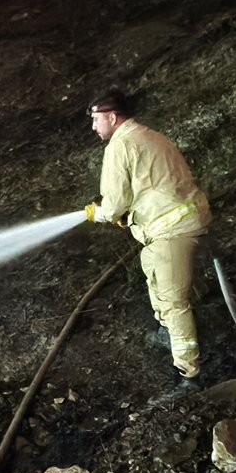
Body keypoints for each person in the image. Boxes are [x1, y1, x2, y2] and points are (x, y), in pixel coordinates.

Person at [82, 89, 212, 397]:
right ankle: (166, 332)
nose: (93, 127)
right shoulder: (150, 136)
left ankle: (189, 374)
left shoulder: (119, 146)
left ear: (112, 117)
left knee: (173, 301)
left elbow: (114, 205)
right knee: (153, 274)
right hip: (181, 220)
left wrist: (97, 213)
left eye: (96, 120)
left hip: (171, 229)